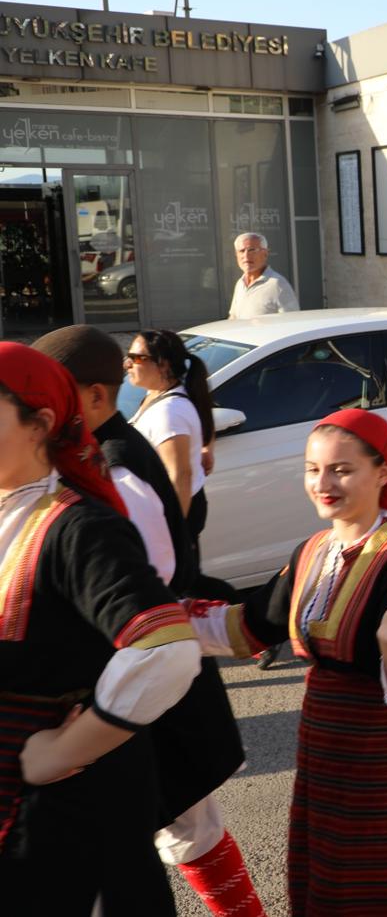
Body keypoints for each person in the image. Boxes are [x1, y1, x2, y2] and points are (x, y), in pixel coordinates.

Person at [186, 410, 387, 916]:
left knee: (380, 886)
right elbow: (251, 627)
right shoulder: (311, 551)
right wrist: (156, 620)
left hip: (384, 755)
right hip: (324, 743)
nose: (323, 483)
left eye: (341, 469)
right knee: (329, 879)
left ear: (382, 473)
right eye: (313, 469)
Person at [33, 326, 258, 917]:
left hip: (145, 693)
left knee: (169, 837)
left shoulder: (116, 473)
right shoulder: (93, 460)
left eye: (51, 397)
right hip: (139, 692)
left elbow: (144, 602)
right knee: (181, 834)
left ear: (96, 399)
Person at [0, 342, 203, 914]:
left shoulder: (77, 528)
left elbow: (166, 651)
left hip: (54, 805)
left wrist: (64, 748)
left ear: (39, 423)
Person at [126, 329, 214, 549]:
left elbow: (180, 476)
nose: (127, 364)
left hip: (173, 517)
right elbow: (206, 414)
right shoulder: (158, 395)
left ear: (163, 365)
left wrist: (172, 536)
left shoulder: (169, 412)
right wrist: (206, 448)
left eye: (136, 358)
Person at [228, 232, 299, 318]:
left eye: (252, 250)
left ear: (265, 254)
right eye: (242, 251)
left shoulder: (277, 284)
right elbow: (233, 317)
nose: (246, 256)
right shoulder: (240, 284)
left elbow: (292, 321)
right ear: (236, 255)